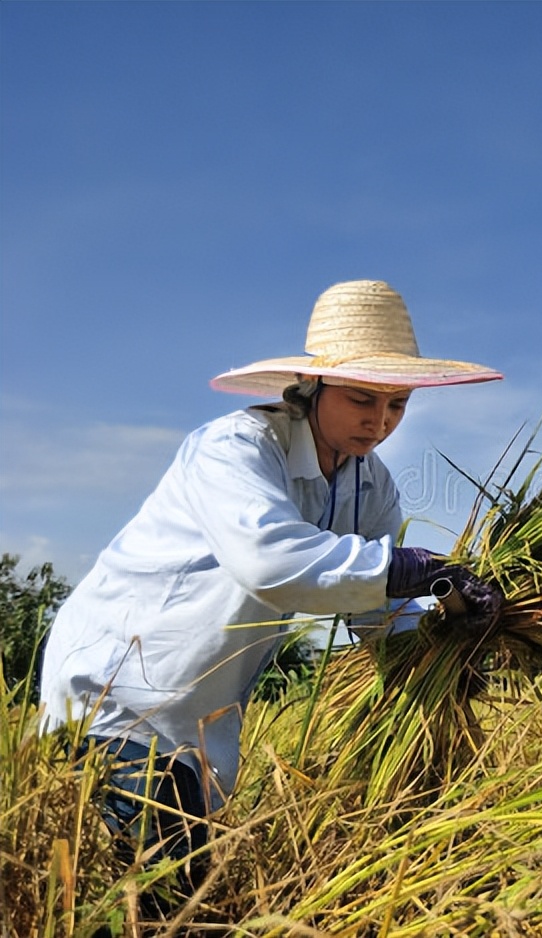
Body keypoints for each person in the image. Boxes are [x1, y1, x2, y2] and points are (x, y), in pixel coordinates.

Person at [39, 279, 505, 912]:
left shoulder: (372, 485)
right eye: (363, 398)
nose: (380, 420)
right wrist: (414, 570)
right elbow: (272, 561)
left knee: (184, 885)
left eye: (398, 404)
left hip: (202, 714)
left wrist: (443, 643)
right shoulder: (236, 448)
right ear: (310, 389)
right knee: (146, 900)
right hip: (116, 690)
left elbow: (378, 610)